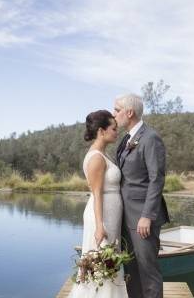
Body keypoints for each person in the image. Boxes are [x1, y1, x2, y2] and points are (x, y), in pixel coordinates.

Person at [113, 94, 170, 298]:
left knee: (148, 271)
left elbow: (157, 179)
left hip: (142, 218)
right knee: (131, 271)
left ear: (129, 112)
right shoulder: (126, 139)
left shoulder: (150, 138)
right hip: (125, 217)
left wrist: (147, 216)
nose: (114, 114)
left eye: (116, 110)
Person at [68, 110, 128, 298]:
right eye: (113, 128)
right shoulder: (96, 157)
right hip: (101, 216)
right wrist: (100, 226)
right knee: (101, 264)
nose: (116, 132)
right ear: (101, 131)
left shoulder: (104, 154)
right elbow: (96, 194)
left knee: (110, 263)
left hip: (111, 215)